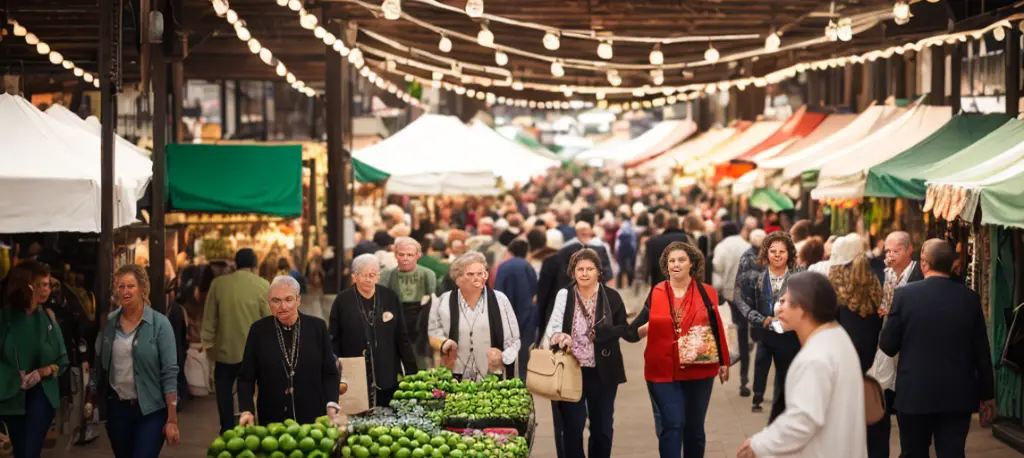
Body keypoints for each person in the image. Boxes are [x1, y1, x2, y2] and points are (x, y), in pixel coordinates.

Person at [879, 239, 996, 457]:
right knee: (952, 452)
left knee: (913, 452)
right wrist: (988, 395)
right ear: (953, 265)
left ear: (924, 264)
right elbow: (981, 351)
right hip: (957, 395)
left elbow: (887, 346)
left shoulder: (904, 296)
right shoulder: (970, 299)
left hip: (914, 393)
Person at [737, 272, 866, 458]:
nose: (779, 307)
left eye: (785, 301)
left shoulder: (816, 357)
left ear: (804, 308)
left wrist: (759, 445)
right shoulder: (836, 337)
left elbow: (802, 421)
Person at [625, 242, 729, 458]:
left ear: (692, 263)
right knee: (672, 423)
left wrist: (724, 362)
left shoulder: (707, 292)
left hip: (699, 367)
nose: (676, 264)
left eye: (681, 260)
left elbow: (718, 328)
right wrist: (646, 329)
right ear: (666, 265)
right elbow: (632, 333)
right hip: (662, 369)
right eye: (671, 261)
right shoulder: (657, 292)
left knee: (694, 428)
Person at [541, 249, 627, 458]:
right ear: (573, 272)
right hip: (571, 369)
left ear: (599, 271)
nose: (585, 273)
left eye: (590, 269)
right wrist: (560, 337)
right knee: (572, 426)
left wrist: (607, 333)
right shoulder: (565, 295)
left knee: (603, 427)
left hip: (603, 372)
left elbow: (624, 328)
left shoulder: (612, 297)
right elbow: (552, 328)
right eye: (580, 269)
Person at [92, 265, 179, 458]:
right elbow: (98, 364)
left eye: (130, 286)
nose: (125, 291)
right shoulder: (109, 323)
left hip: (151, 410)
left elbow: (170, 372)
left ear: (142, 289)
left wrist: (171, 419)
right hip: (117, 410)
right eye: (121, 286)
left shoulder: (160, 324)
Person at [238, 276, 341, 426]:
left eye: (288, 299)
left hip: (312, 417)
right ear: (269, 303)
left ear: (298, 301)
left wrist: (332, 404)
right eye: (276, 300)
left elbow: (330, 373)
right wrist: (246, 410)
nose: (282, 306)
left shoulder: (317, 328)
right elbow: (246, 378)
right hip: (272, 418)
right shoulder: (258, 330)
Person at [0, 261, 69, 458]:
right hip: (10, 395)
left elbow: (62, 360)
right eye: (40, 285)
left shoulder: (47, 318)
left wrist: (44, 371)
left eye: (48, 285)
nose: (45, 290)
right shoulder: (5, 319)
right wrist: (11, 374)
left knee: (29, 451)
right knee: (21, 451)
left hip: (41, 393)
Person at [329, 254, 417, 408]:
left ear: (378, 276)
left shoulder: (389, 297)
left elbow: (401, 335)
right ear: (354, 277)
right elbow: (333, 338)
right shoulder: (342, 301)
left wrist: (411, 370)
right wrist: (335, 367)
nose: (369, 280)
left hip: (387, 367)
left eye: (373, 275)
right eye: (364, 275)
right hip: (355, 368)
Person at [201, 248, 271, 434]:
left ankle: (226, 428)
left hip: (224, 351)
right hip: (253, 354)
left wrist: (206, 341)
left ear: (235, 263)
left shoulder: (218, 284)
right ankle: (247, 428)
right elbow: (269, 321)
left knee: (223, 391)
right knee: (248, 391)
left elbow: (209, 317)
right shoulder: (263, 285)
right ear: (255, 265)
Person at [734, 231, 802, 418]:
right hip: (765, 331)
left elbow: (809, 303)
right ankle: (758, 397)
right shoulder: (755, 276)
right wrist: (760, 319)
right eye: (773, 251)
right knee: (761, 363)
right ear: (766, 253)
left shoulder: (799, 275)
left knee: (787, 372)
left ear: (789, 253)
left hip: (790, 335)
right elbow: (740, 300)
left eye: (782, 251)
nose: (778, 255)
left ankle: (786, 407)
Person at [428, 252, 520, 381]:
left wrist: (503, 357)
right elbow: (433, 332)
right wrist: (444, 343)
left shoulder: (500, 300)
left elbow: (514, 339)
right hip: (456, 375)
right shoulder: (444, 300)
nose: (477, 278)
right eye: (470, 274)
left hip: (492, 377)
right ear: (458, 279)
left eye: (480, 274)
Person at [537, 220, 613, 330]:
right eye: (581, 230)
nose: (584, 233)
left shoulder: (599, 249)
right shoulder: (566, 251)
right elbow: (562, 277)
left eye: (585, 230)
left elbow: (607, 272)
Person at [380, 237, 437, 368]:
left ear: (418, 255)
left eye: (410, 255)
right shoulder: (387, 275)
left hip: (421, 318)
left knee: (419, 357)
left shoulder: (428, 274)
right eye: (401, 254)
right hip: (395, 317)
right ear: (395, 255)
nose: (405, 258)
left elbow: (433, 300)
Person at [494, 240, 538, 381]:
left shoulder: (503, 267)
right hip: (526, 313)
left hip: (505, 313)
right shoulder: (528, 267)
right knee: (525, 350)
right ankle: (524, 381)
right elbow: (533, 292)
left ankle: (506, 379)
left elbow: (498, 290)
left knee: (506, 348)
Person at [730, 228, 766, 398]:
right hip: (760, 306)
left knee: (743, 340)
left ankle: (744, 379)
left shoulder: (745, 255)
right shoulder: (768, 258)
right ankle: (758, 387)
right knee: (762, 345)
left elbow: (740, 279)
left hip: (743, 304)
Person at [645, 215, 694, 286]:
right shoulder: (686, 238)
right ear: (679, 225)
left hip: (659, 285)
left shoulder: (653, 241)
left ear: (666, 224)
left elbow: (647, 265)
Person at [614, 215, 638, 288]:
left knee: (620, 268)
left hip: (621, 250)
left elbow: (617, 244)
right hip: (631, 250)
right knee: (630, 267)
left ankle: (619, 286)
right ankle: (630, 285)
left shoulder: (620, 229)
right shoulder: (632, 228)